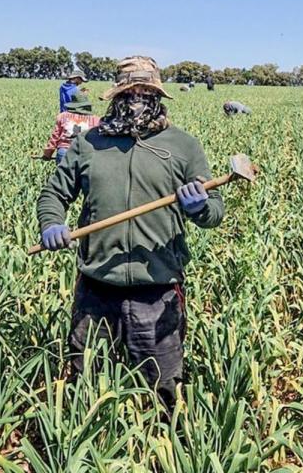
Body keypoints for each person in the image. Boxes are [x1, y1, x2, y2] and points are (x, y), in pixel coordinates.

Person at [37, 55, 224, 411]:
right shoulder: (89, 143)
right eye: (130, 91)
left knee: (163, 391)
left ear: (158, 95)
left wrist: (199, 207)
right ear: (116, 94)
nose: (137, 99)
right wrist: (51, 223)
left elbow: (215, 211)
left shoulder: (183, 146)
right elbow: (54, 193)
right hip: (97, 287)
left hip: (158, 290)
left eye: (146, 91)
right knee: (85, 385)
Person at [42, 93, 101, 164]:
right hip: (85, 152)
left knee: (63, 174)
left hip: (65, 151)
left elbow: (55, 137)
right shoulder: (95, 119)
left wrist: (47, 154)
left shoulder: (62, 116)